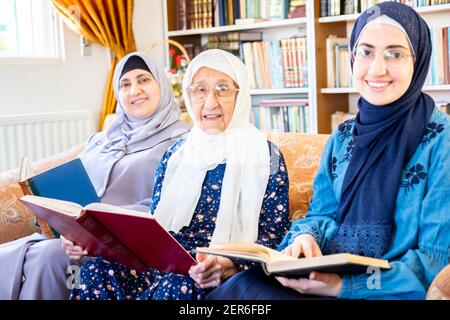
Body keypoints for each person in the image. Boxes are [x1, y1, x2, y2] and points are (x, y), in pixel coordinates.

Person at [207, 2, 450, 300]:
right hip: (323, 277)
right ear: (352, 57)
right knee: (237, 288)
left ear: (419, 59)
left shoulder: (442, 141)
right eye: (366, 51)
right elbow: (319, 214)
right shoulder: (344, 137)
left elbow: (436, 262)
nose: (377, 68)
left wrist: (343, 287)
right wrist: (306, 237)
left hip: (384, 289)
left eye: (395, 54)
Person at [70, 49, 291, 300]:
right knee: (95, 269)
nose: (210, 102)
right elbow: (156, 226)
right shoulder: (175, 154)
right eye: (199, 90)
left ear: (241, 96)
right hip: (164, 266)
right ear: (188, 96)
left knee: (176, 286)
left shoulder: (266, 156)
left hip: (218, 274)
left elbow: (277, 238)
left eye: (223, 89)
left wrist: (232, 265)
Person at [0, 52, 190, 300]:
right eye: (125, 84)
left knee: (52, 259)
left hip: (119, 248)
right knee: (15, 255)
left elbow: (168, 208)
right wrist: (50, 215)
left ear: (162, 86)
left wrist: (95, 232)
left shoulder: (183, 142)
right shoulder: (101, 139)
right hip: (71, 238)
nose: (134, 91)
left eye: (144, 80)